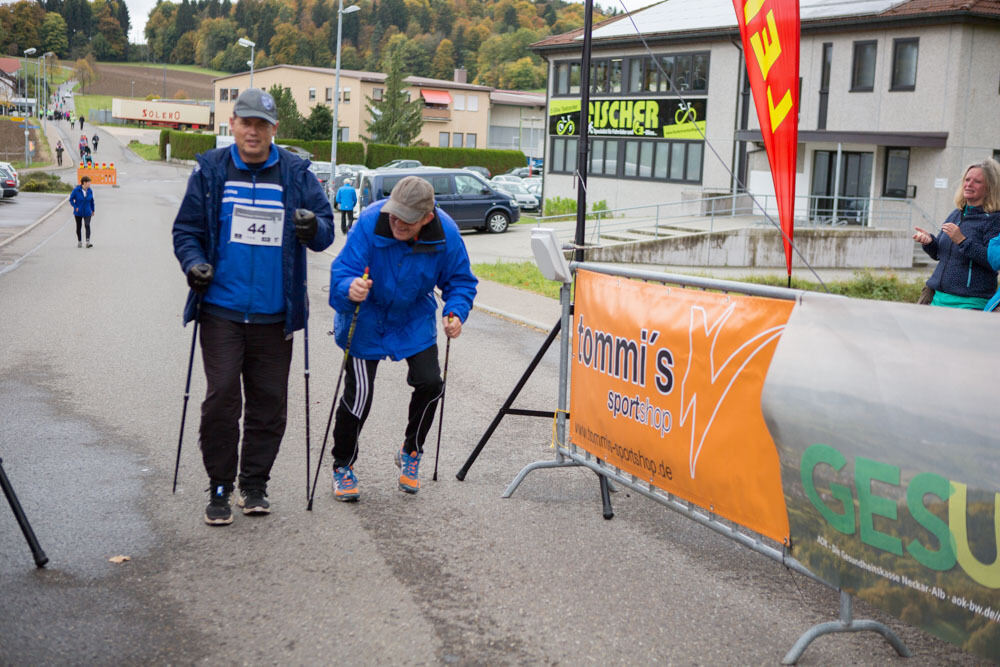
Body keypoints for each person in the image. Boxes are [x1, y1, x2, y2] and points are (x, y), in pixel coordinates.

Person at [172, 88, 335, 526]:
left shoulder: (296, 173)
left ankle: (254, 484)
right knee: (221, 399)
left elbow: (326, 233)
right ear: (233, 125)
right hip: (221, 310)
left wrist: (311, 226)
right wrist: (195, 264)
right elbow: (186, 231)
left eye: (261, 125)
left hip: (274, 315)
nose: (253, 131)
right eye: (246, 123)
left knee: (268, 404)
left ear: (274, 129)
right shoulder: (211, 171)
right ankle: (220, 487)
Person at [326, 176, 477, 501]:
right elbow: (341, 272)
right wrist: (348, 289)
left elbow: (461, 280)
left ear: (427, 218)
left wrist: (455, 311)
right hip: (366, 315)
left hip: (412, 317)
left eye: (406, 219)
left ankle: (411, 450)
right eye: (394, 214)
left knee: (431, 383)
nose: (396, 223)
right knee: (359, 395)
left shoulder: (446, 232)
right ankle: (343, 465)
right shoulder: (370, 221)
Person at [913, 159, 1000, 309]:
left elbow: (994, 262)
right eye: (967, 179)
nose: (969, 184)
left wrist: (962, 241)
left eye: (977, 181)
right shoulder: (956, 214)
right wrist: (929, 242)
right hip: (936, 296)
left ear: (990, 188)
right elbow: (939, 254)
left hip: (969, 302)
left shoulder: (994, 219)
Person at [70, 175, 95, 248]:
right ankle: (79, 241)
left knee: (87, 225)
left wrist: (93, 210)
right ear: (84, 183)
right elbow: (71, 199)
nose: (90, 184)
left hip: (87, 211)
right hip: (78, 212)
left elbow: (92, 201)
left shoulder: (90, 190)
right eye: (89, 182)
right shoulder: (76, 190)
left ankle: (87, 242)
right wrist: (75, 207)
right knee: (78, 227)